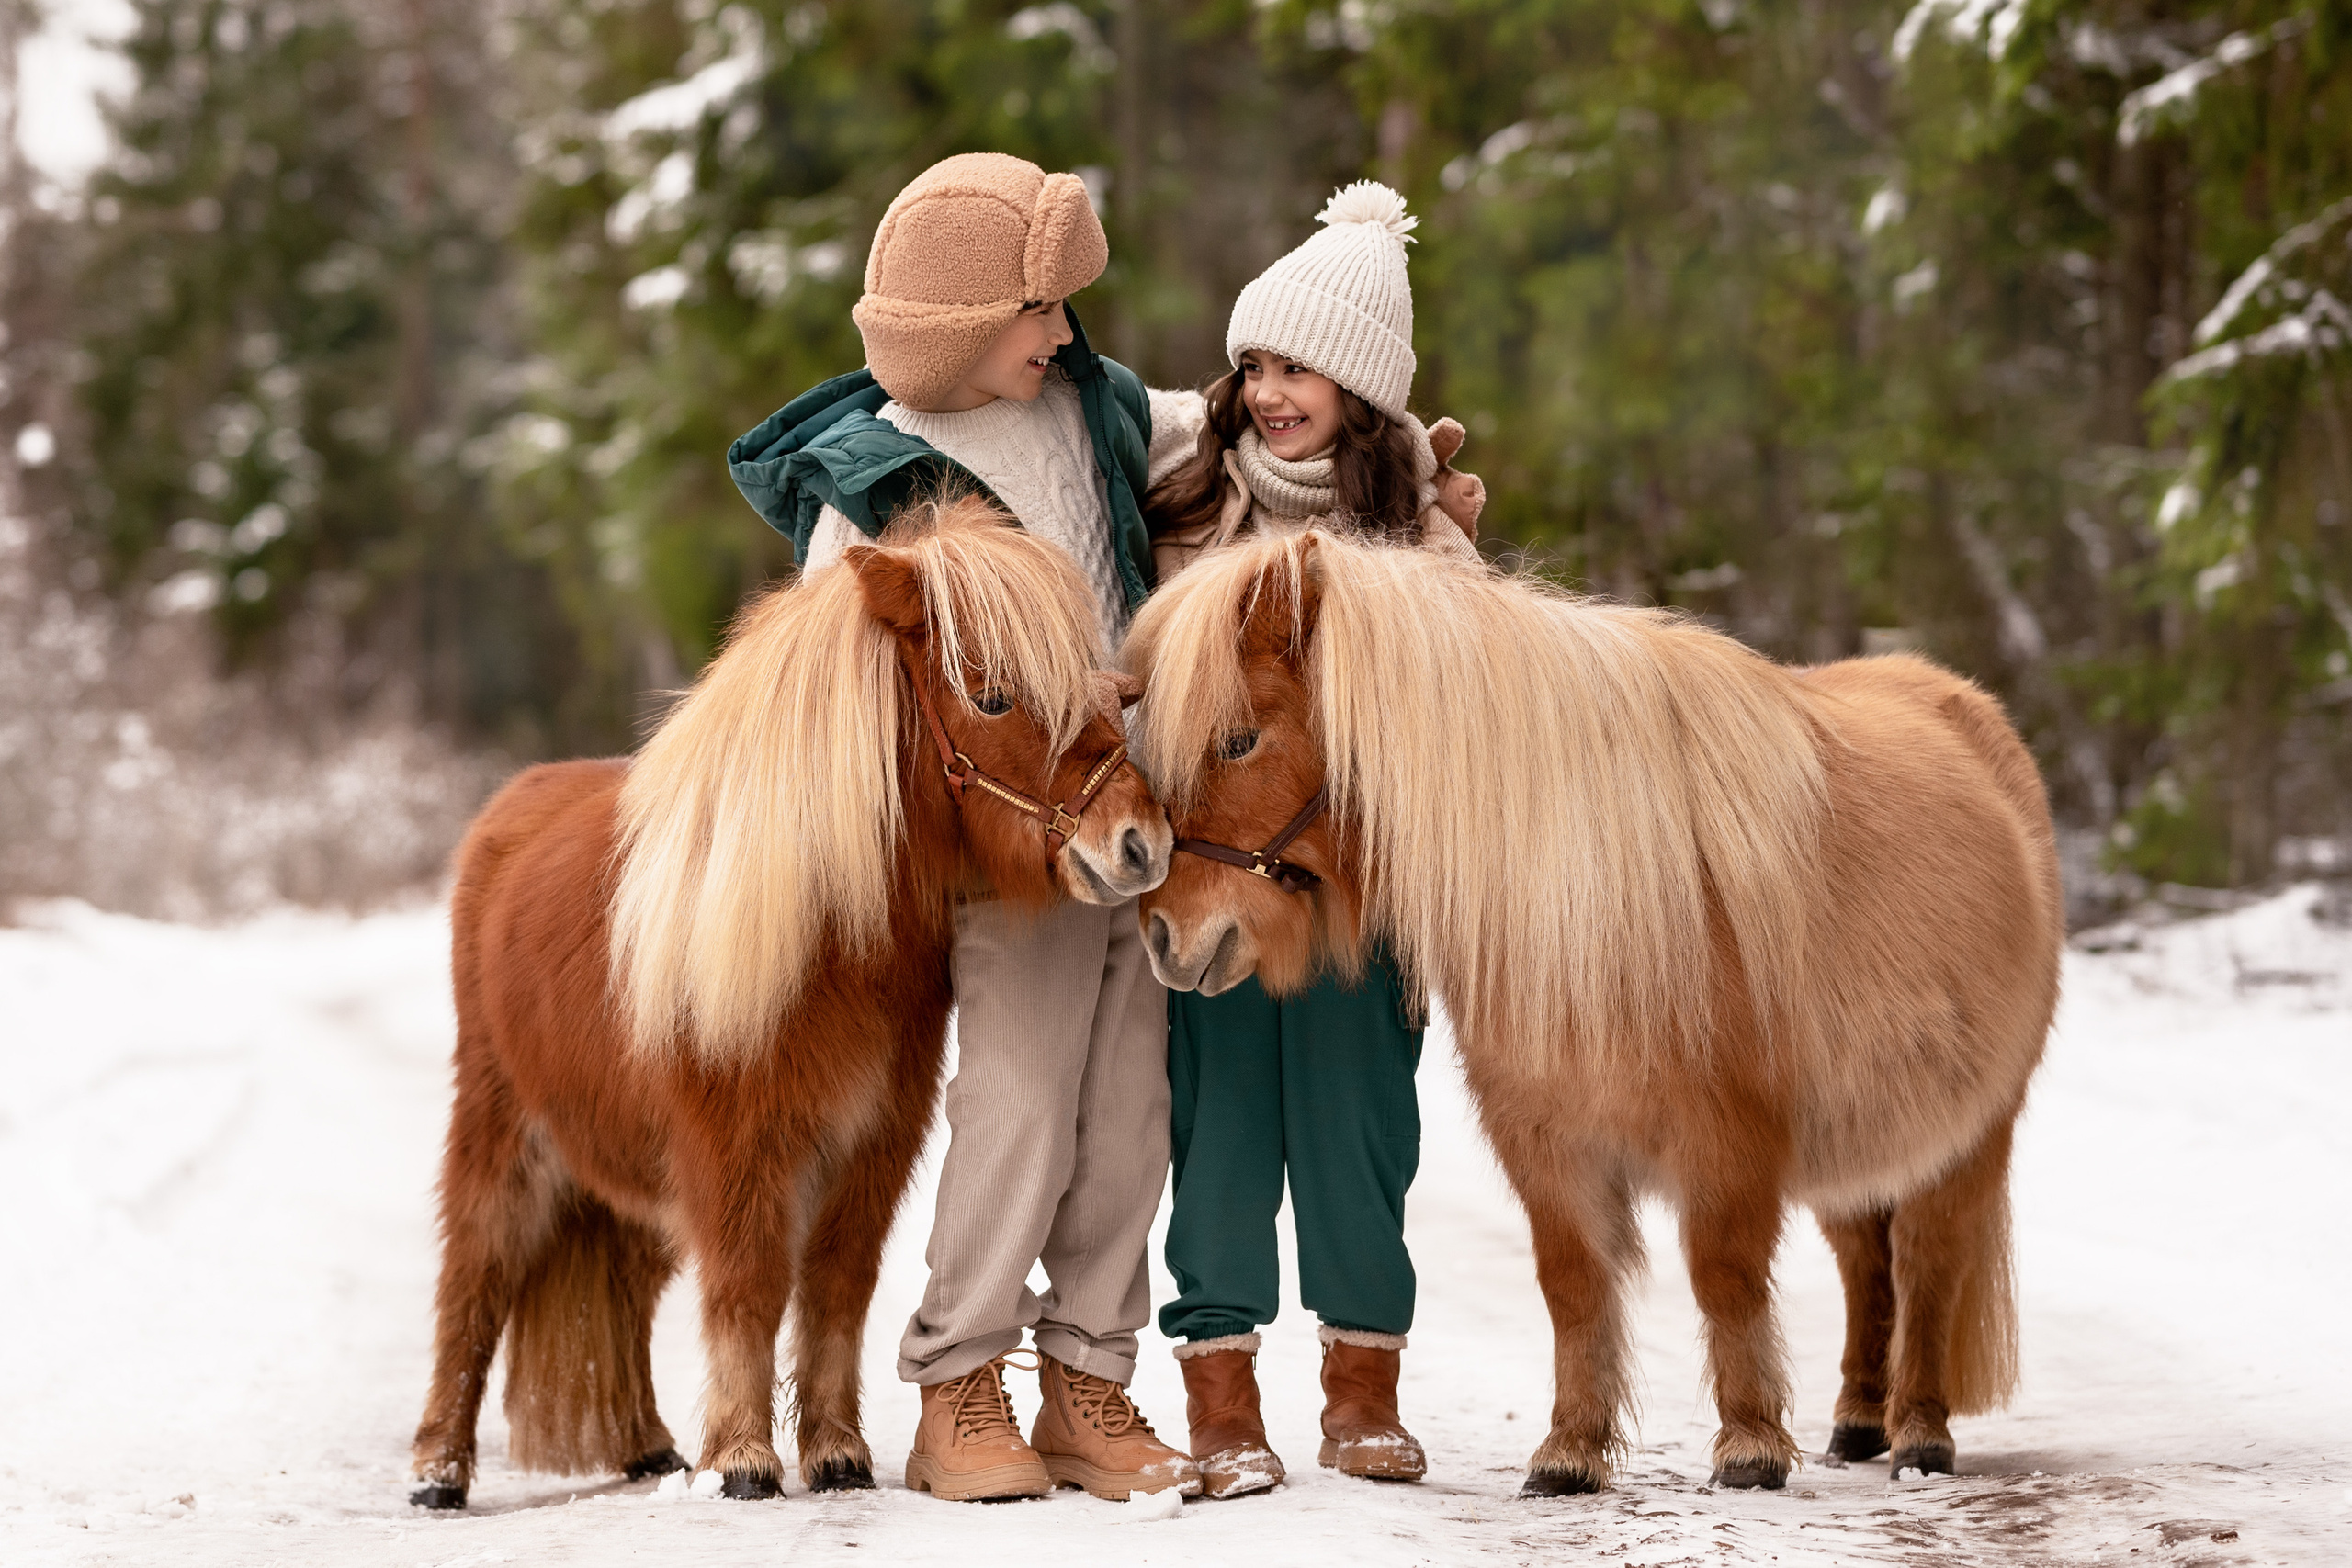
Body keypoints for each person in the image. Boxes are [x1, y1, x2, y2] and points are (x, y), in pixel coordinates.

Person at [725, 152, 1203, 1505]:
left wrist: (1365, 443)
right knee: (1021, 1099)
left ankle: (1091, 1382)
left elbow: (1225, 439)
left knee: (1131, 1108)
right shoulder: (876, 476)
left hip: (1129, 809)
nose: (1063, 332)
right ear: (954, 327)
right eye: (1036, 311)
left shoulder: (1090, 404)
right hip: (1009, 842)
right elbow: (842, 672)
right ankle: (958, 1382)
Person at [1140, 181, 1484, 1500]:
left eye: (1308, 369)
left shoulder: (1414, 541)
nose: (1277, 391)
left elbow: (1464, 715)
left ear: (1365, 393)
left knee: (1356, 1135)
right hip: (1217, 875)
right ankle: (1220, 1403)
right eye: (1260, 365)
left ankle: (1362, 1396)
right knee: (1219, 1135)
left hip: (1353, 898)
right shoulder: (1185, 508)